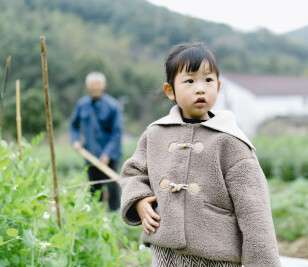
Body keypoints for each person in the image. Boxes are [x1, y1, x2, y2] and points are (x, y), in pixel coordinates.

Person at [120, 42, 281, 266]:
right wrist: (138, 200)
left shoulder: (230, 142)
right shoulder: (155, 134)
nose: (200, 88)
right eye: (189, 80)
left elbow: (255, 213)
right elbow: (133, 172)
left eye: (208, 80)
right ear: (170, 91)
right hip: (165, 253)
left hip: (216, 257)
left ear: (218, 86)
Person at [70, 72, 122, 211]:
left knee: (112, 190)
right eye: (92, 86)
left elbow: (117, 133)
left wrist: (107, 154)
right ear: (87, 86)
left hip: (109, 158)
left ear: (103, 86)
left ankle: (115, 217)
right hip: (90, 155)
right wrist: (75, 140)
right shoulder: (82, 105)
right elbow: (74, 125)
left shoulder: (113, 106)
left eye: (97, 85)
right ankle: (96, 218)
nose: (95, 88)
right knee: (94, 189)